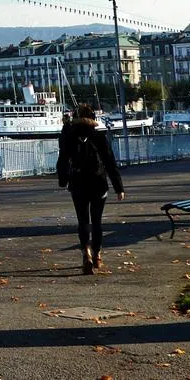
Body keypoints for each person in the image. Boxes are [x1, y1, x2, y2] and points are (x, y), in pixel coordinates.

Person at [56, 103, 124, 275]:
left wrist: (63, 180)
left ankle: (85, 252)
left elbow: (63, 159)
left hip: (78, 182)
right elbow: (110, 162)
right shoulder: (99, 137)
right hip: (98, 182)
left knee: (82, 221)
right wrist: (118, 187)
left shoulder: (69, 136)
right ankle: (97, 255)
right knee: (97, 221)